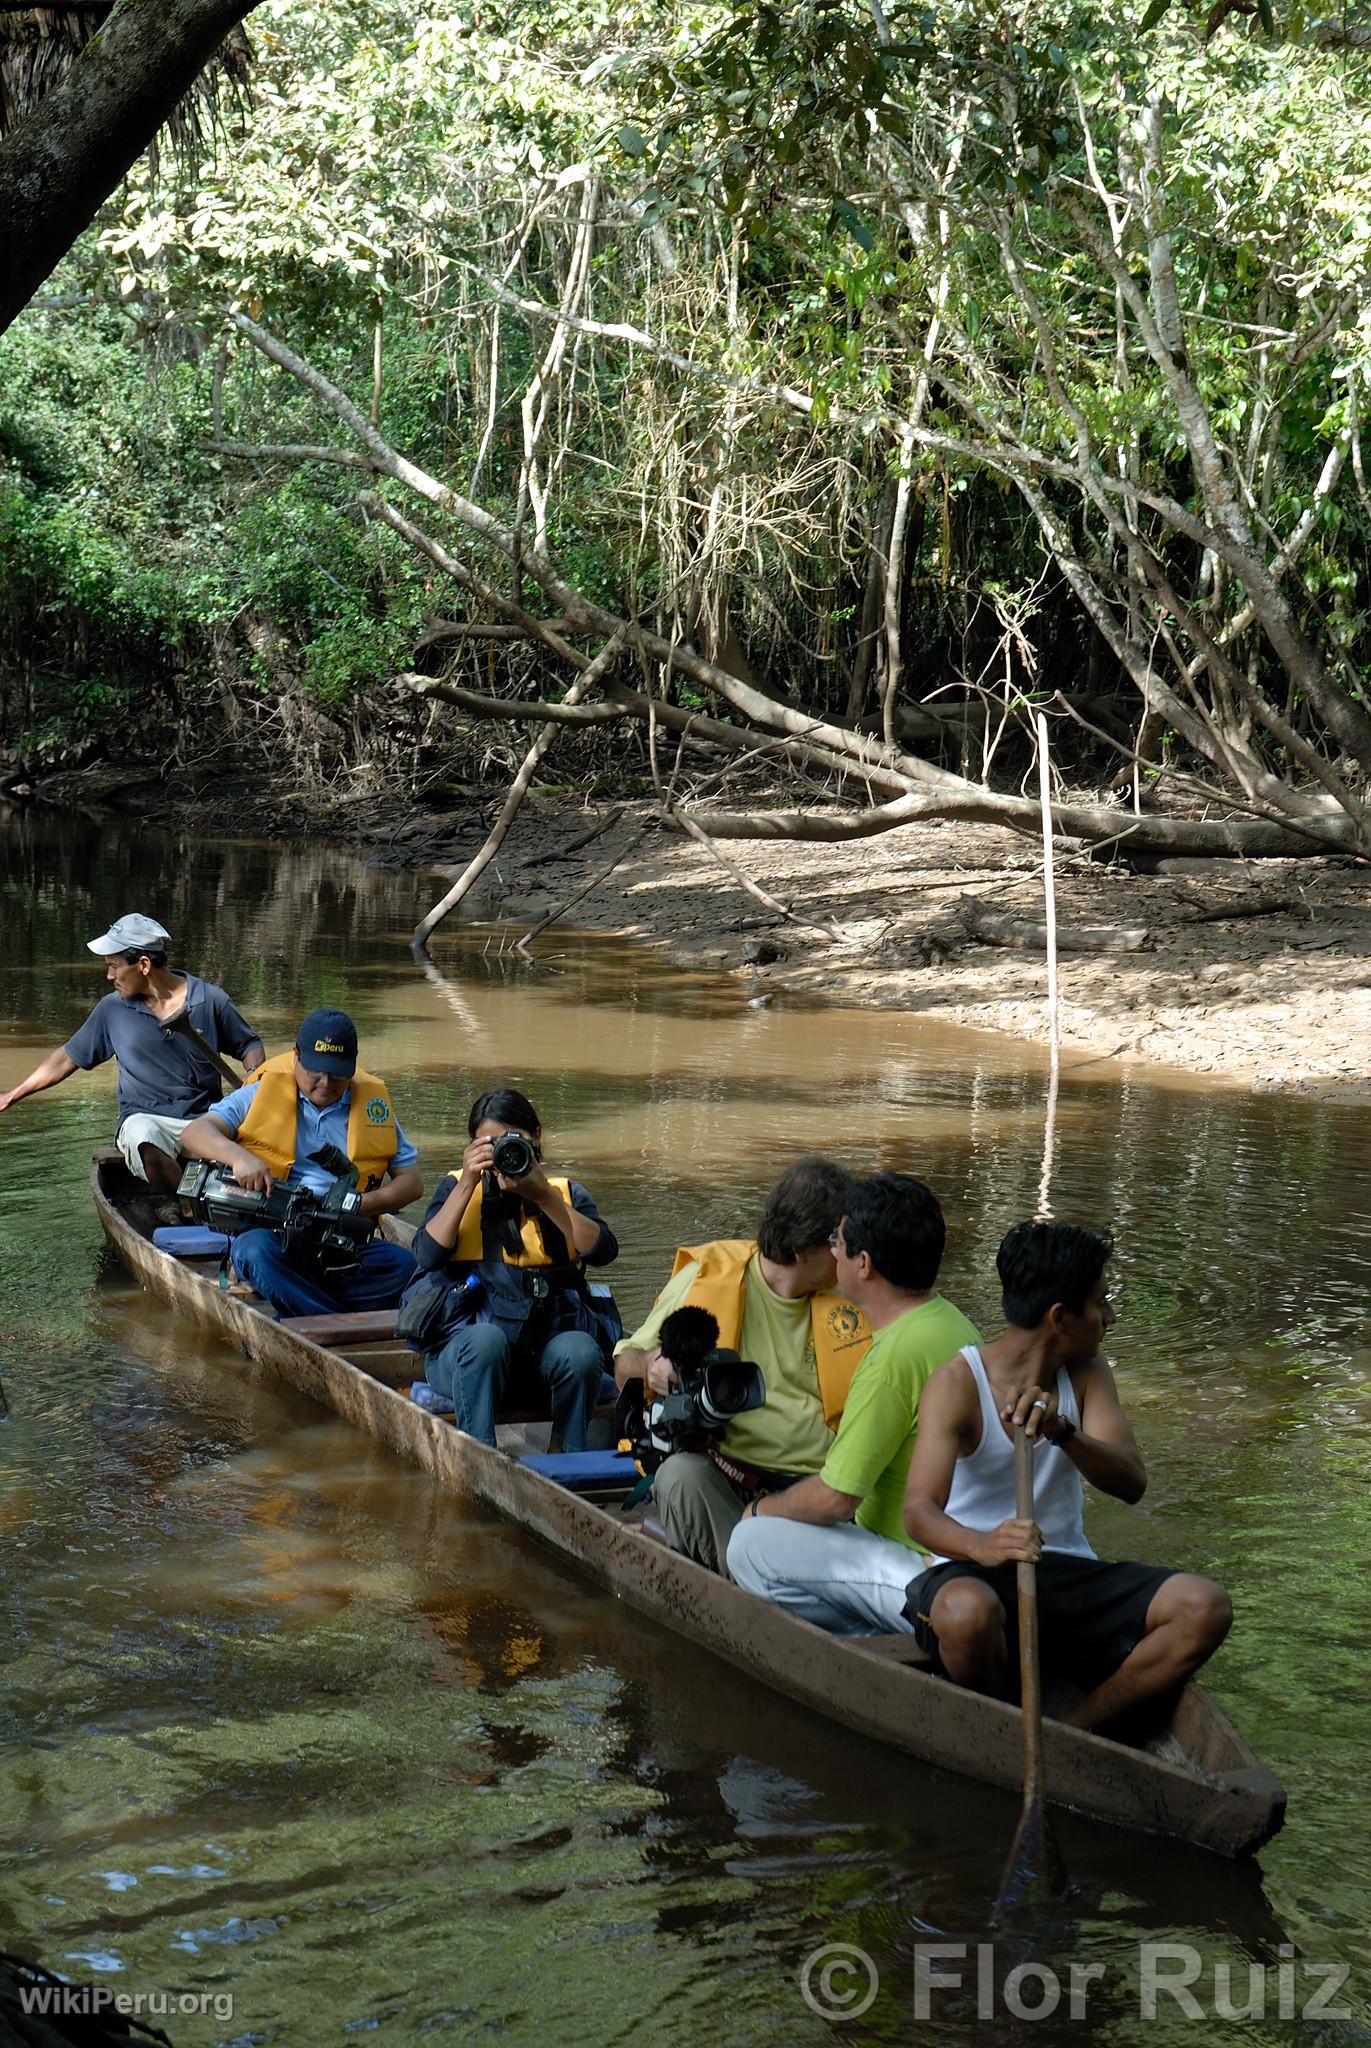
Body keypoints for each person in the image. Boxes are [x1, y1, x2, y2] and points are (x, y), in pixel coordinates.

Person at [902, 1220, 1232, 1733]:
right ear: (1060, 1316)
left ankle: (1070, 1736)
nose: (1111, 1316)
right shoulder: (956, 1382)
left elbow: (1131, 1482)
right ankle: (998, 1728)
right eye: (1100, 1302)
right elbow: (919, 1513)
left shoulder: (1087, 1373)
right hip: (971, 1572)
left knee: (1204, 1606)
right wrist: (985, 1545)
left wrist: (1063, 1431)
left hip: (1064, 1571)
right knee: (969, 1614)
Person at [726, 1174, 980, 1632]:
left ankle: (867, 1637)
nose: (833, 1252)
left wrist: (760, 1509)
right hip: (961, 1553)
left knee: (748, 1543)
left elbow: (836, 1500)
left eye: (836, 1242)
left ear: (863, 1264)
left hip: (925, 1568)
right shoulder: (951, 1322)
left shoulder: (890, 1358)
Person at [614, 1157, 871, 1576]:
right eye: (840, 1240)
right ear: (800, 1251)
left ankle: (790, 1584)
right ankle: (752, 1591)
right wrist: (652, 1365)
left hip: (830, 1489)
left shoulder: (860, 1291)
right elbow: (624, 1366)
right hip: (728, 1483)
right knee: (679, 1475)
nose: (853, 1251)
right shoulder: (709, 1276)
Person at [178, 1008, 422, 1317]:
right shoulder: (258, 1094)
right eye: (316, 1071)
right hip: (275, 1235)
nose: (325, 1083)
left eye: (337, 1073)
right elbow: (195, 1132)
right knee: (254, 1252)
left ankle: (305, 1305)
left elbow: (412, 1183)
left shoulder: (373, 1107)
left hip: (340, 1236)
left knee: (406, 1266)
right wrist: (240, 1158)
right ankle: (331, 1320)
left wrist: (359, 1205)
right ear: (296, 1056)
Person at [0, 912, 265, 1194]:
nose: (109, 975)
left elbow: (249, 1046)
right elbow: (66, 1058)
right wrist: (11, 1096)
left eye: (114, 966)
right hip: (145, 1118)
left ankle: (212, 1199)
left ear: (143, 964)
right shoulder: (112, 1010)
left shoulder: (209, 1000)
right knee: (143, 1137)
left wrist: (252, 1081)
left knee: (250, 1163)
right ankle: (188, 1206)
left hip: (205, 1119)